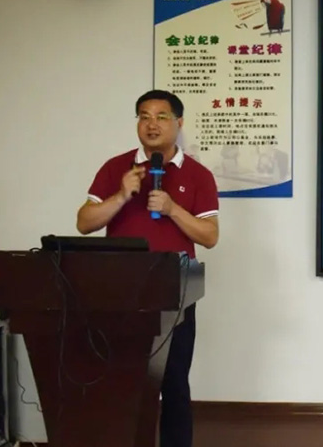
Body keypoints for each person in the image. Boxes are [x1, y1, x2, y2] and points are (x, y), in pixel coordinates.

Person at [76, 89, 219, 447]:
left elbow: (210, 236)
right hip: (119, 292)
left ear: (179, 122)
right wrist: (121, 196)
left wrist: (173, 209)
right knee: (120, 381)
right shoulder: (115, 168)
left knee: (174, 382)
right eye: (144, 116)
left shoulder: (198, 175)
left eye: (161, 117)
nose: (152, 124)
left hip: (176, 293)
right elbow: (84, 223)